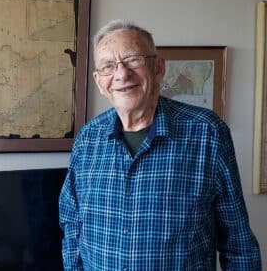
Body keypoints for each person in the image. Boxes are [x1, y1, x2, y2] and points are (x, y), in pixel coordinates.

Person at [59, 19, 261, 270]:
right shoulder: (87, 139)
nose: (122, 74)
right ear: (100, 82)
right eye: (109, 66)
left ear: (158, 67)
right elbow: (72, 223)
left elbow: (238, 244)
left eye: (133, 59)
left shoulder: (206, 132)